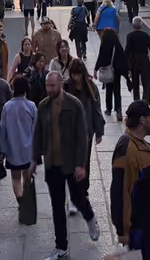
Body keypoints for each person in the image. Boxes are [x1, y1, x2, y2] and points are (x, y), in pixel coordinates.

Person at [32, 71, 101, 259]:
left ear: (60, 84)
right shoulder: (43, 106)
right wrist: (33, 159)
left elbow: (83, 136)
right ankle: (61, 246)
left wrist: (81, 164)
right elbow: (38, 134)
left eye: (52, 86)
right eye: (47, 85)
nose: (49, 89)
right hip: (52, 165)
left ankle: (89, 217)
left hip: (72, 164)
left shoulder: (74, 104)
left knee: (78, 199)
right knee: (57, 206)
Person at [111, 100, 150, 260]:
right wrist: (122, 230)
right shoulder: (127, 149)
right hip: (136, 228)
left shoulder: (141, 144)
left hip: (145, 224)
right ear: (142, 120)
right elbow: (120, 192)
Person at [64, 58, 105, 212]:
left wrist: (99, 131)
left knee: (84, 162)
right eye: (74, 75)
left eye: (78, 74)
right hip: (69, 133)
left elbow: (96, 109)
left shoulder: (90, 87)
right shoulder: (66, 87)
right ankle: (75, 197)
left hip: (86, 132)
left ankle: (83, 192)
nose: (76, 78)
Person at [0, 76, 37, 201]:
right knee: (27, 177)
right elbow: (36, 129)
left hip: (12, 148)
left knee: (15, 178)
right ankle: (26, 201)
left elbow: (3, 129)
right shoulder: (31, 106)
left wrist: (3, 150)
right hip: (28, 149)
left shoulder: (7, 106)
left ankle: (20, 201)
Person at [95, 27, 128, 120]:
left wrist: (95, 69)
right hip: (116, 71)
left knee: (108, 90)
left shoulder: (104, 45)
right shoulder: (117, 45)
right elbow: (122, 58)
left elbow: (100, 58)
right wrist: (126, 73)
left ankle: (108, 109)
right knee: (117, 91)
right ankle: (118, 111)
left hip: (108, 71)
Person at [125, 16, 150, 105]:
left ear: (133, 25)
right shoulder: (145, 35)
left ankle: (136, 100)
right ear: (141, 25)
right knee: (146, 81)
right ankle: (146, 100)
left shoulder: (130, 36)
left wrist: (125, 62)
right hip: (144, 58)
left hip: (133, 59)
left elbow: (127, 49)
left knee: (135, 81)